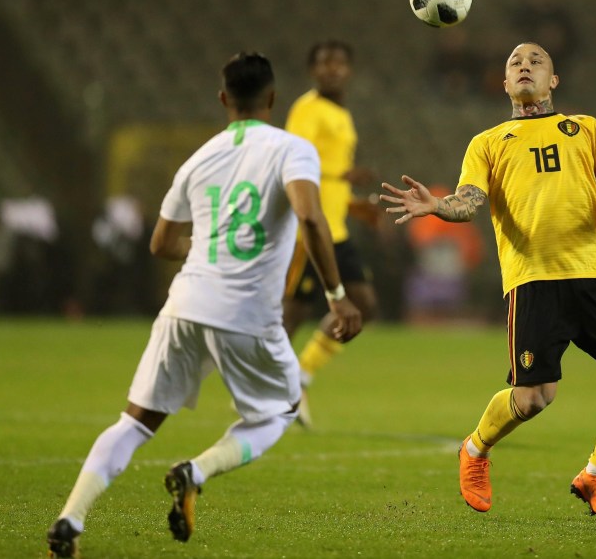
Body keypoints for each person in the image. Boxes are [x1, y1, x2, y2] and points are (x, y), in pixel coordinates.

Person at [46, 52, 363, 558]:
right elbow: (309, 217)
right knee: (277, 412)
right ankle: (197, 471)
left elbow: (161, 243)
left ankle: (70, 518)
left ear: (223, 99)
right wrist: (337, 296)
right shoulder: (292, 150)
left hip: (184, 306)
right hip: (247, 316)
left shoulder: (198, 159)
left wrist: (212, 246)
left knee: (134, 422)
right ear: (273, 98)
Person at [381, 42, 596, 522]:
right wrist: (438, 206)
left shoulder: (586, 129)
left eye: (536, 61)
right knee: (534, 399)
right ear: (504, 84)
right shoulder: (489, 142)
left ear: (554, 80)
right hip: (534, 281)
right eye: (514, 63)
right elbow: (468, 202)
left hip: (595, 277)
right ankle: (475, 450)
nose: (524, 66)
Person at [282, 39, 378, 428]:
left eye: (339, 63)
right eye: (324, 64)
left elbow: (328, 175)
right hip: (309, 229)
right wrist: (342, 175)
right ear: (312, 70)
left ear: (349, 70)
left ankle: (301, 374)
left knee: (364, 304)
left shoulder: (342, 113)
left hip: (335, 228)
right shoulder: (308, 110)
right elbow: (293, 163)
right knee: (291, 317)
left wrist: (353, 201)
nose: (332, 70)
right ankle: (265, 395)